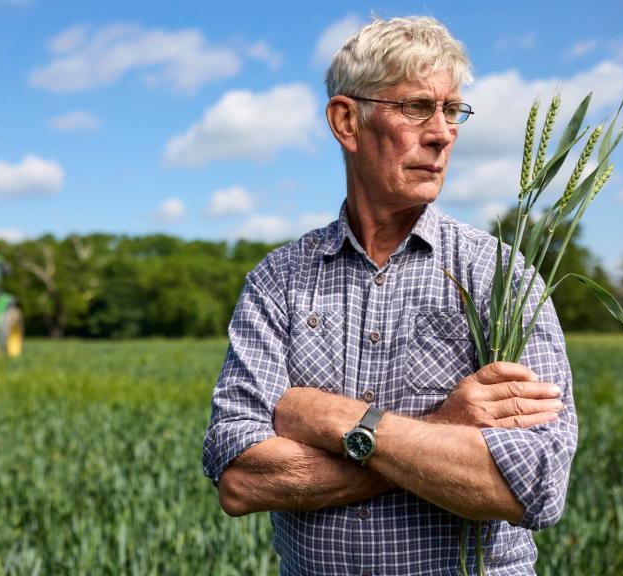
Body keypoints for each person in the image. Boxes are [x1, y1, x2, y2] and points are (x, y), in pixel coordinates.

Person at [203, 16, 577, 575]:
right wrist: (442, 430)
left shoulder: (501, 276)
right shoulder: (280, 279)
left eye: (452, 111)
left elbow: (532, 484)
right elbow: (241, 479)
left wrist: (333, 420)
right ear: (347, 120)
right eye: (416, 107)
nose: (443, 132)